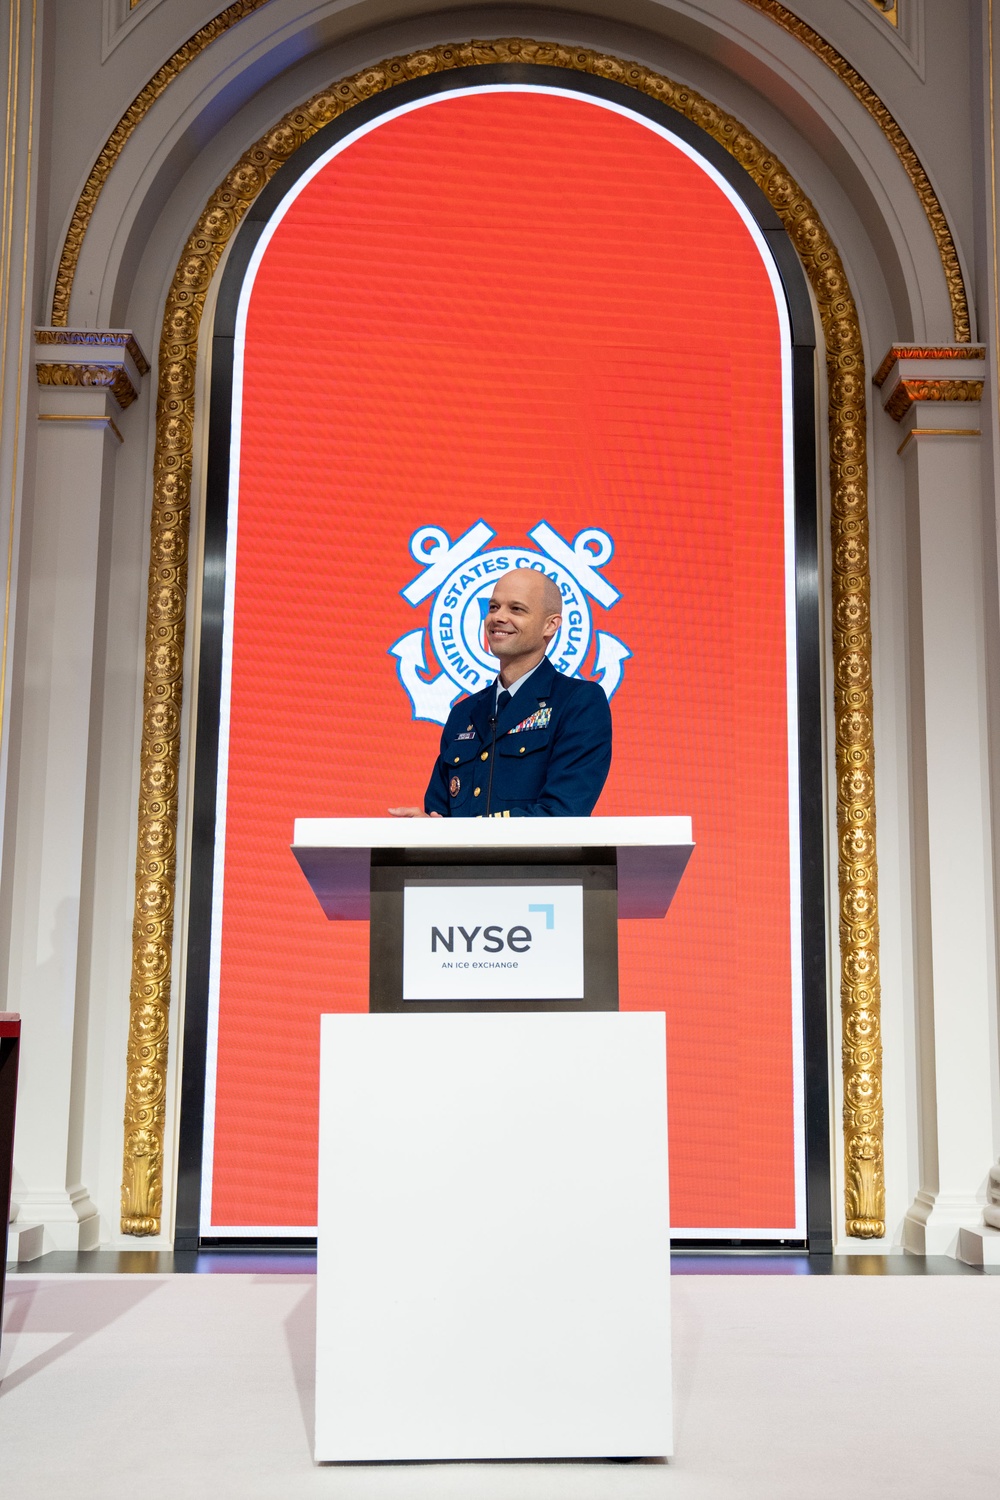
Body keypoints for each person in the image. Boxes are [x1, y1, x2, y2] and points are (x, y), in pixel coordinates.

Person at [389, 567, 612, 818]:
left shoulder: (578, 702)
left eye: (516, 609)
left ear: (550, 625)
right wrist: (428, 829)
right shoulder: (464, 713)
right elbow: (439, 812)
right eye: (494, 607)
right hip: (456, 859)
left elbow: (561, 814)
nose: (498, 617)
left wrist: (459, 833)